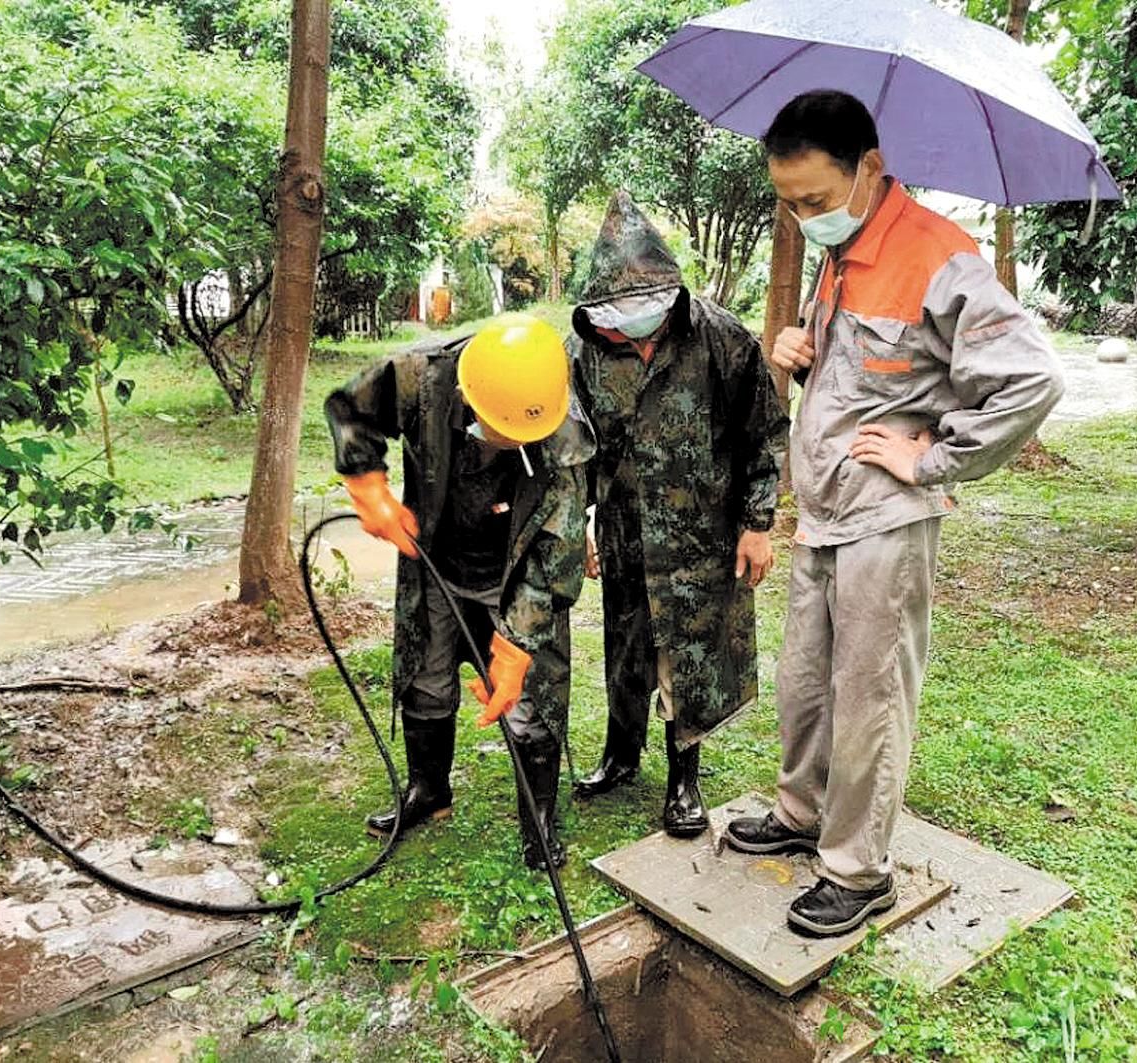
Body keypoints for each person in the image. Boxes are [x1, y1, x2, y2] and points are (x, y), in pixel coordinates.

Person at [725, 90, 1065, 935]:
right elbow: (875, 373)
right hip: (824, 509)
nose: (802, 219)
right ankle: (801, 813)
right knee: (806, 682)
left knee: (869, 693)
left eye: (812, 200)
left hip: (886, 515)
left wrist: (933, 457)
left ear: (867, 169)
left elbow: (1031, 380)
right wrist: (798, 355)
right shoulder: (839, 251)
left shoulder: (937, 254)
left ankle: (857, 867)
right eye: (789, 204)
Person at [325, 315, 593, 869]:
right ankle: (429, 791)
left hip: (514, 577)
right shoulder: (421, 375)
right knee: (425, 677)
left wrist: (517, 643)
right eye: (498, 430)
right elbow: (350, 409)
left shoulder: (561, 431)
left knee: (529, 704)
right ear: (470, 396)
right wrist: (365, 482)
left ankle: (538, 820)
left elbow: (559, 552)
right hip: (436, 562)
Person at [569, 191, 789, 836]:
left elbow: (767, 432)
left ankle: (684, 779)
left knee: (689, 654)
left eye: (642, 312)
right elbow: (577, 444)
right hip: (623, 531)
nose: (629, 326)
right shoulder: (584, 349)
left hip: (702, 538)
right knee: (625, 645)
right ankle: (620, 754)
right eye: (617, 315)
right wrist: (583, 521)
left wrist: (757, 524)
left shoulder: (721, 339)